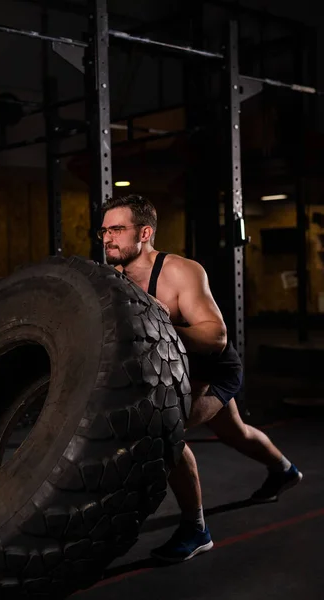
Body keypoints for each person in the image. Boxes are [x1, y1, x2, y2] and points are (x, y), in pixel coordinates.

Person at [98, 194, 303, 563]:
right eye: (104, 230)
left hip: (210, 369)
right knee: (234, 432)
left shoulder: (179, 271)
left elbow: (215, 336)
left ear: (144, 233)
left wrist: (162, 325)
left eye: (117, 229)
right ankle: (284, 470)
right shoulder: (113, 279)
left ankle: (196, 530)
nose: (107, 238)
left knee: (165, 430)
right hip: (166, 374)